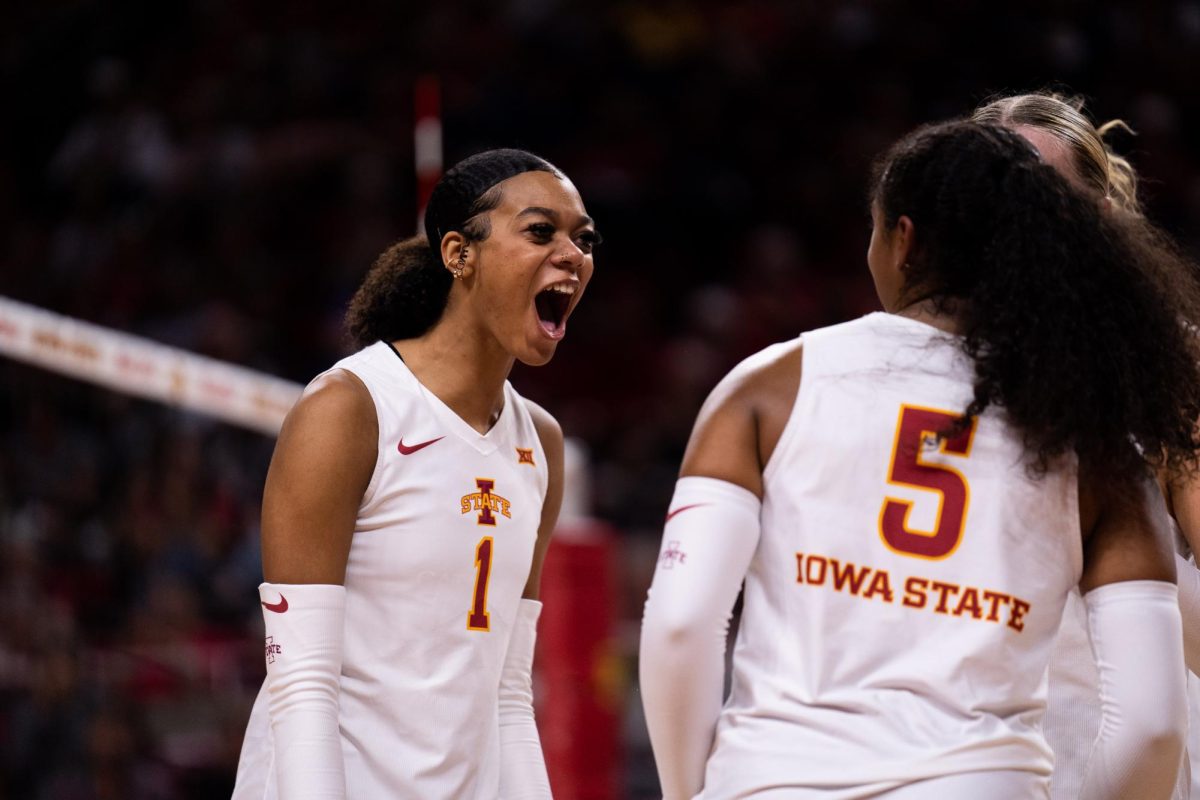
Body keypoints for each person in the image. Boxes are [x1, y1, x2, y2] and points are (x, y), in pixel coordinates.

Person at [639, 120, 1200, 799]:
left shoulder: (770, 385)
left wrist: (693, 789)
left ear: (903, 240)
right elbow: (1150, 728)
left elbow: (680, 625)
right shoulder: (1097, 438)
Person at [231, 148, 600, 799]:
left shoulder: (540, 442)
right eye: (541, 231)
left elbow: (509, 695)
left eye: (584, 238)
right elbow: (303, 685)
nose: (573, 254)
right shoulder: (351, 408)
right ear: (460, 253)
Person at [975, 90, 1200, 800]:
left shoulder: (1167, 367)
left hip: (1132, 754)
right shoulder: (908, 366)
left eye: (1040, 190)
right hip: (964, 757)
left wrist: (1126, 579)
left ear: (1100, 215)